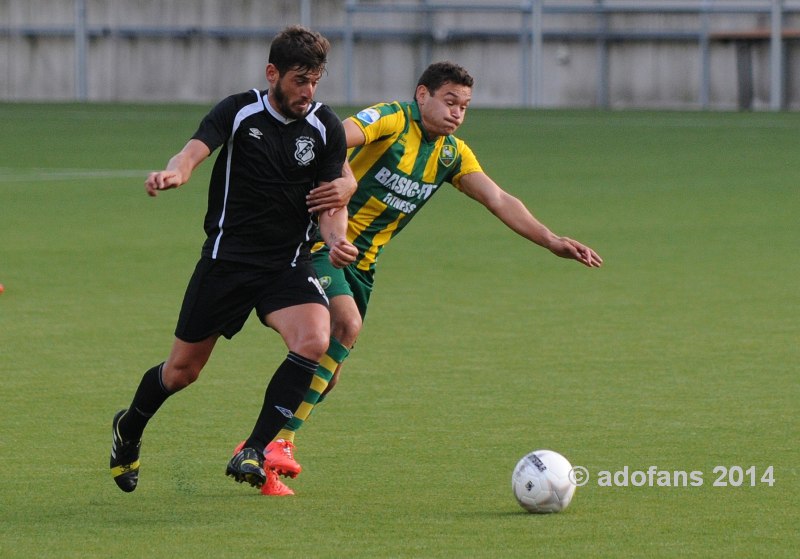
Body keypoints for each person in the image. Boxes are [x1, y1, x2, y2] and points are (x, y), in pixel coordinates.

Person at [250, 60, 604, 495]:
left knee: (328, 376)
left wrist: (551, 240)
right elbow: (333, 137)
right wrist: (341, 181)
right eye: (450, 101)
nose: (457, 112)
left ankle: (259, 450)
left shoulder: (452, 153)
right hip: (321, 245)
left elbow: (497, 198)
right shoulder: (392, 119)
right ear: (423, 96)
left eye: (465, 106)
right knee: (346, 325)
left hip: (363, 265)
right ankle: (277, 445)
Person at [109, 25, 358, 495]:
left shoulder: (325, 127)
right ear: (273, 74)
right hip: (227, 262)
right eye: (300, 80)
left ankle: (255, 448)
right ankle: (130, 427)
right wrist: (175, 174)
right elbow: (194, 149)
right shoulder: (239, 110)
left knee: (314, 339)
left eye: (316, 81)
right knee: (182, 372)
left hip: (286, 264)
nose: (308, 92)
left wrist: (337, 239)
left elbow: (330, 201)